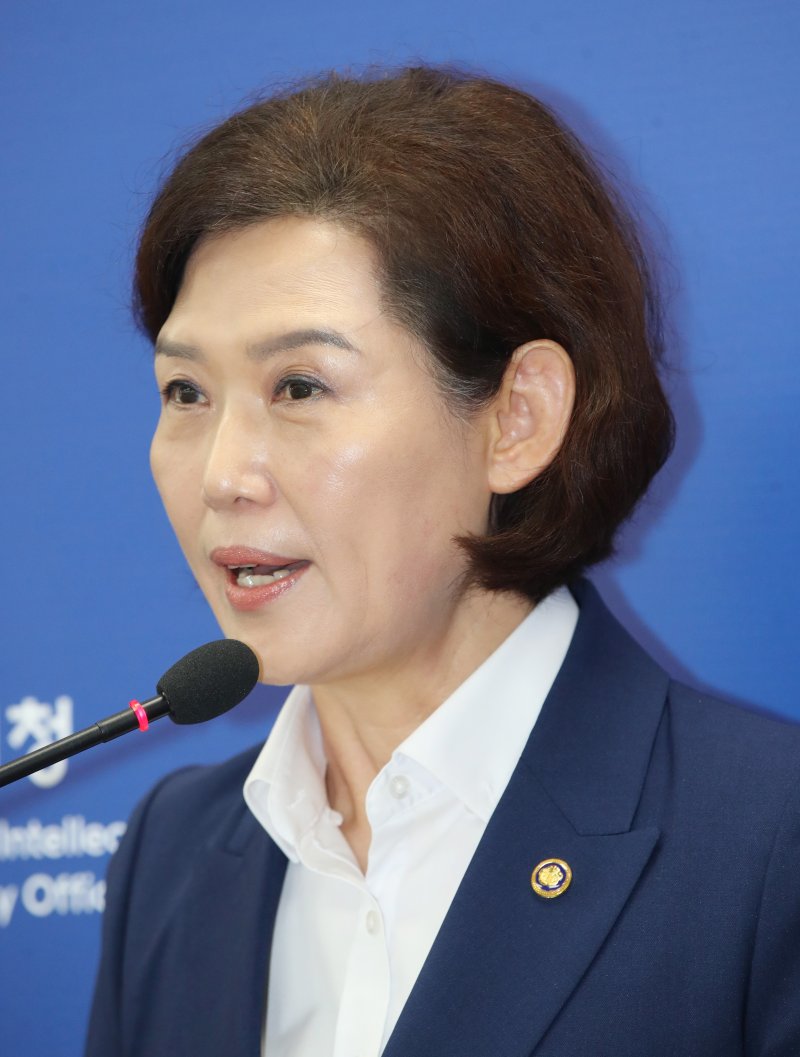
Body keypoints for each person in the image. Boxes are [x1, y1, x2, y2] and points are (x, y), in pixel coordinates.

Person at [85, 67, 800, 1057]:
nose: (221, 476)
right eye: (185, 392)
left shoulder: (766, 841)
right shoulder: (173, 851)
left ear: (518, 418)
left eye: (299, 386)